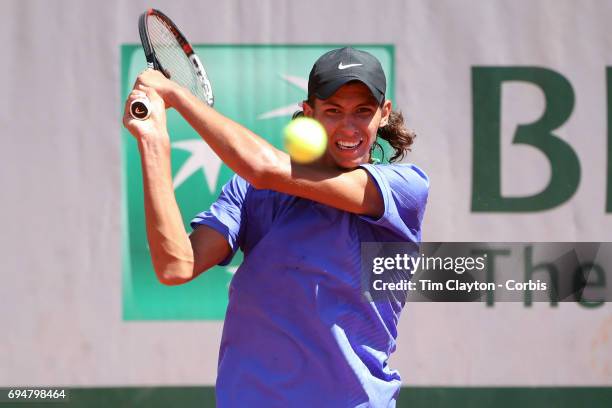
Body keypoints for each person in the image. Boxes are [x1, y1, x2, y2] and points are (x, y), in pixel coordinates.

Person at [123, 47, 429, 407]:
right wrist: (153, 142)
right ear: (309, 113)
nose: (349, 126)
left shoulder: (403, 187)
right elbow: (176, 265)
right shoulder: (250, 191)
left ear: (384, 114)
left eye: (363, 111)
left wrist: (176, 94)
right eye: (333, 111)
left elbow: (263, 167)